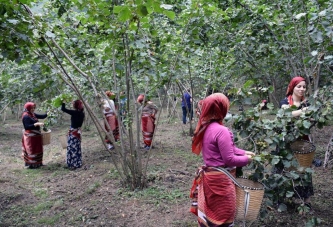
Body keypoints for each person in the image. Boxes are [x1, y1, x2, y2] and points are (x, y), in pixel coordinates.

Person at [190, 93, 254, 227]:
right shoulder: (221, 130)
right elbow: (229, 158)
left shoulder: (207, 127)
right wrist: (247, 160)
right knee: (225, 215)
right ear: (221, 109)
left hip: (210, 179)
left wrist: (245, 153)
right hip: (221, 182)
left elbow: (229, 148)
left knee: (213, 213)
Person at [279, 76, 314, 207]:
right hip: (287, 141)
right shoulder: (285, 101)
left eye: (304, 87)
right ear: (292, 87)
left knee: (304, 169)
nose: (302, 89)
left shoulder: (307, 103)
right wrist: (303, 111)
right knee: (287, 168)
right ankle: (285, 198)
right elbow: (285, 114)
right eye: (299, 86)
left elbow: (311, 119)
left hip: (303, 140)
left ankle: (306, 201)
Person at [22, 102, 48, 169]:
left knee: (38, 149)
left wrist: (49, 113)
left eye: (34, 108)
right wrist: (36, 124)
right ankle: (32, 164)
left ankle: (38, 163)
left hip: (36, 136)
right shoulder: (26, 116)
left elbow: (42, 116)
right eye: (32, 108)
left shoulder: (32, 114)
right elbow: (27, 127)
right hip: (30, 137)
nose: (33, 109)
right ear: (28, 108)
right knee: (32, 150)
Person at [61, 100, 85, 170]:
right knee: (77, 148)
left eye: (73, 104)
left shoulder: (74, 113)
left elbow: (63, 109)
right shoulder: (82, 113)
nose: (72, 105)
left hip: (73, 133)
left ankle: (73, 164)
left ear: (76, 105)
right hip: (77, 132)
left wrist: (63, 102)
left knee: (72, 148)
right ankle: (78, 162)